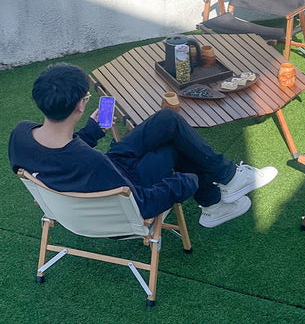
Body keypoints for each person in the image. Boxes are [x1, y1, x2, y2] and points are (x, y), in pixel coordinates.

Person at [8, 63, 277, 227]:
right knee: (174, 148)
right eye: (87, 97)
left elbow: (61, 155)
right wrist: (186, 182)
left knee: (167, 121)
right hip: (120, 195)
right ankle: (215, 198)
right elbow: (143, 204)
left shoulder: (20, 136)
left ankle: (225, 183)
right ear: (80, 104)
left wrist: (92, 131)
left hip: (97, 181)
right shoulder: (91, 161)